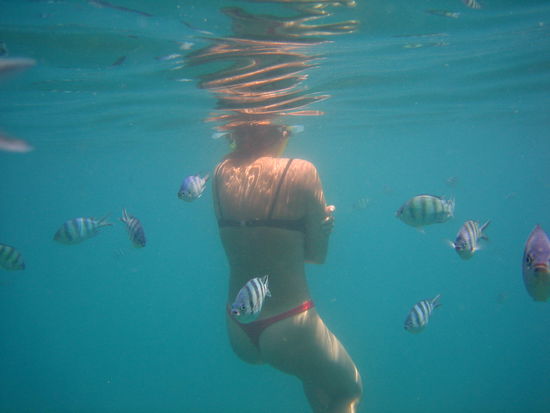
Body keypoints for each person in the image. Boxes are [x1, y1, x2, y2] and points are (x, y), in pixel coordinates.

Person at [213, 121, 362, 413]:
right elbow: (316, 256)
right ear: (280, 132)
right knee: (348, 390)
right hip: (290, 325)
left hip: (238, 325)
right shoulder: (301, 170)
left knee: (312, 373)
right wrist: (323, 229)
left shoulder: (220, 172)